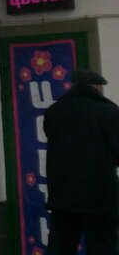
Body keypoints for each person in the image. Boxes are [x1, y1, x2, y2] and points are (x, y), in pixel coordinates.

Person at [45, 68, 119, 255]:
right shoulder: (109, 111)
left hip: (62, 194)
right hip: (100, 196)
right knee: (103, 246)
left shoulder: (54, 111)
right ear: (97, 87)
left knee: (61, 247)